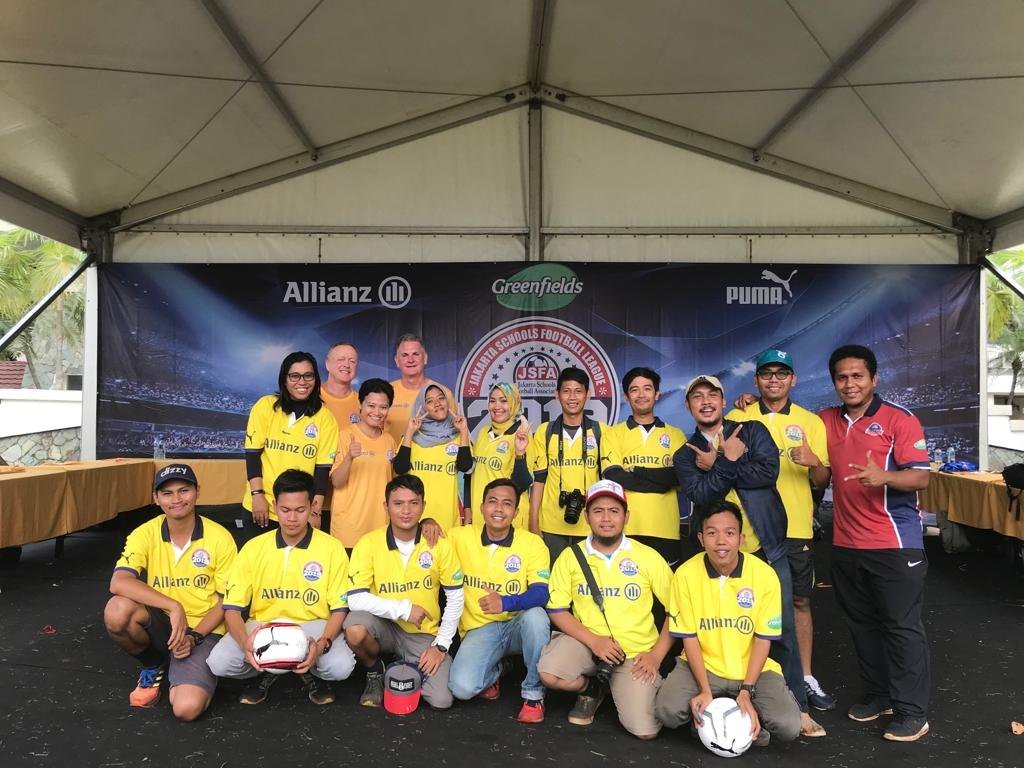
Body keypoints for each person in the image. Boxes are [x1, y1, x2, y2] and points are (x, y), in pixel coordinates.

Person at [674, 374, 822, 737]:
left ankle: (799, 707)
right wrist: (726, 461)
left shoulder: (751, 431)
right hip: (719, 556)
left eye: (712, 395)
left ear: (723, 402)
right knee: (722, 629)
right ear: (689, 406)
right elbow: (703, 495)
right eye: (697, 397)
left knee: (781, 630)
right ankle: (724, 703)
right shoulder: (685, 454)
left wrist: (718, 464)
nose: (706, 402)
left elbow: (767, 472)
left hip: (767, 548)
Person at [819, 344, 931, 742]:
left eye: (857, 376)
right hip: (846, 543)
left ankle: (912, 712)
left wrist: (885, 477)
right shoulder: (825, 420)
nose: (850, 384)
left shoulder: (899, 419)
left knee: (901, 628)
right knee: (862, 626)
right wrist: (748, 400)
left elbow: (921, 477)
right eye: (842, 377)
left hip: (894, 544)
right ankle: (879, 695)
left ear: (873, 378)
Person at [726, 349, 835, 713]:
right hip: (749, 529)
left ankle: (804, 677)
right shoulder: (738, 416)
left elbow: (822, 479)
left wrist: (814, 462)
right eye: (767, 373)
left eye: (781, 373)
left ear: (793, 379)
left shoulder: (810, 421)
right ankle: (742, 680)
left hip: (794, 528)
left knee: (799, 602)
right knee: (741, 602)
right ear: (756, 380)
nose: (774, 379)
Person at [655, 500, 801, 746]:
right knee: (667, 711)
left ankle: (746, 716)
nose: (721, 541)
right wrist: (704, 690)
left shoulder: (764, 575)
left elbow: (763, 638)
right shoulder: (686, 574)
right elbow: (688, 636)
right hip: (704, 666)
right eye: (712, 533)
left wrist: (747, 690)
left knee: (789, 727)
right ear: (701, 538)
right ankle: (708, 717)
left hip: (753, 670)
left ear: (741, 539)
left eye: (729, 533)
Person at [206, 469, 356, 706]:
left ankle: (308, 671)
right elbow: (232, 608)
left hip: (313, 625)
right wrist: (245, 643)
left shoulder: (332, 548)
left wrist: (321, 645)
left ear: (313, 506)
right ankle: (266, 671)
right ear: (274, 506)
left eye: (300, 510)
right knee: (219, 663)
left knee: (341, 668)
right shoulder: (253, 547)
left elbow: (339, 609)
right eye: (285, 510)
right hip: (263, 625)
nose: (292, 518)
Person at [538, 479, 673, 740]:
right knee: (549, 673)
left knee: (644, 730)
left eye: (614, 511)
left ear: (626, 516)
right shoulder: (571, 556)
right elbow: (557, 610)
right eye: (598, 511)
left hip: (634, 654)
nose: (606, 518)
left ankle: (619, 685)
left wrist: (656, 656)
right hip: (587, 645)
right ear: (586, 516)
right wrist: (595, 641)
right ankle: (591, 688)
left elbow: (677, 611)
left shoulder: (647, 556)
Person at [104, 463, 237, 720]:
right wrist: (174, 607)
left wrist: (194, 637)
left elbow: (227, 601)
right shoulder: (145, 533)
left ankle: (191, 666)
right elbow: (118, 582)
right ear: (156, 498)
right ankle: (154, 664)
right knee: (117, 610)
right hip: (164, 622)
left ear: (197, 491)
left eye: (184, 490)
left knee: (186, 709)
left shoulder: (220, 537)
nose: (176, 499)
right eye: (167, 493)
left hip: (202, 630)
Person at [343, 474, 465, 710]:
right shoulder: (368, 543)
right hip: (384, 626)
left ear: (423, 506)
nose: (406, 511)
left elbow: (455, 597)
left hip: (422, 633)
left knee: (442, 700)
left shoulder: (440, 544)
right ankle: (374, 670)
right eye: (398, 504)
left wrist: (441, 646)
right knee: (355, 628)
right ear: (386, 506)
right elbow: (355, 599)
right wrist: (403, 609)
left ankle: (407, 668)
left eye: (414, 503)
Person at [448, 478, 551, 723]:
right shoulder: (458, 536)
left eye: (507, 504)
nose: (498, 509)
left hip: (518, 625)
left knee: (537, 617)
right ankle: (499, 668)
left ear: (516, 512)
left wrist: (505, 603)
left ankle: (533, 694)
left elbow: (541, 593)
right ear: (482, 507)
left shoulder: (533, 543)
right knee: (461, 688)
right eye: (492, 502)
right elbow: (428, 542)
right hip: (480, 628)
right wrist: (428, 524)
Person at [243, 351, 339, 538]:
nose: (302, 382)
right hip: (263, 506)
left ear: (316, 379)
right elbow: (252, 455)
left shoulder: (326, 418)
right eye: (294, 376)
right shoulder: (265, 406)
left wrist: (315, 512)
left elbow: (322, 470)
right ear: (284, 379)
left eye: (308, 375)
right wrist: (257, 495)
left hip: (300, 514)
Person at [601, 367, 686, 566]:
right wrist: (662, 485)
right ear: (626, 396)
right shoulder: (613, 434)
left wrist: (638, 472)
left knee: (664, 586)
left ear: (657, 394)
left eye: (647, 389)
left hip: (665, 529)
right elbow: (615, 476)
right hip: (626, 529)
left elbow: (678, 476)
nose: (641, 395)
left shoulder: (675, 435)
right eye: (634, 390)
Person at [529, 367, 607, 561]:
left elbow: (607, 482)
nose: (572, 397)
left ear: (588, 395)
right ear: (557, 395)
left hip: (590, 525)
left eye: (578, 391)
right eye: (566, 391)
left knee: (588, 578)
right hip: (550, 526)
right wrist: (533, 522)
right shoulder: (545, 431)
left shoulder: (601, 431)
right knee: (553, 577)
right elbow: (539, 480)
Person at [392, 382, 472, 532]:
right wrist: (409, 431)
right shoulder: (411, 437)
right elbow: (400, 469)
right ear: (422, 407)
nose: (437, 404)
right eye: (429, 401)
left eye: (441, 398)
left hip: (448, 518)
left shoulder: (458, 436)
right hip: (414, 518)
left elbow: (465, 467)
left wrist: (463, 431)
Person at [329, 378, 397, 549]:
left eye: (383, 407)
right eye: (371, 406)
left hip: (380, 529)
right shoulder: (345, 436)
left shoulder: (390, 441)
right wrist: (349, 458)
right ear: (360, 404)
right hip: (349, 529)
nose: (377, 412)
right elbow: (336, 482)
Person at [466, 382, 533, 527]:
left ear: (514, 403)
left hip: (508, 521)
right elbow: (470, 474)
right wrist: (468, 510)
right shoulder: (483, 432)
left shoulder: (522, 434)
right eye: (492, 401)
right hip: (481, 517)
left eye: (504, 401)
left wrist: (519, 453)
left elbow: (522, 484)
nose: (497, 406)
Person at [386, 333, 455, 444]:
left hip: (432, 455)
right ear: (397, 361)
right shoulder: (385, 393)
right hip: (393, 455)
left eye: (415, 354)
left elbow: (454, 432)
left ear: (425, 358)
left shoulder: (443, 393)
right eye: (405, 355)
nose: (410, 360)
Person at [321, 342, 361, 431]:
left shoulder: (362, 402)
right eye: (341, 359)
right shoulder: (312, 397)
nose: (347, 365)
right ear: (327, 364)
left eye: (352, 361)